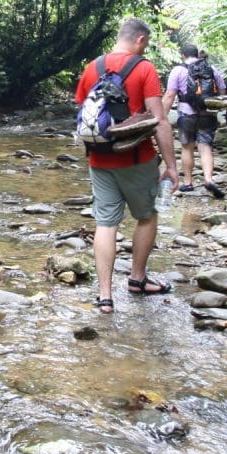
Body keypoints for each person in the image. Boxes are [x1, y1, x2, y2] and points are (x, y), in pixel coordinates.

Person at [74, 18, 181, 312]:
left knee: (106, 224)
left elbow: (85, 113)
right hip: (138, 159)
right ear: (141, 40)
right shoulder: (144, 68)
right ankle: (137, 279)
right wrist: (172, 166)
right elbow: (159, 121)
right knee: (146, 216)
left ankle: (105, 296)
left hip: (99, 159)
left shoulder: (91, 68)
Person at [163, 44, 227, 198]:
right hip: (207, 115)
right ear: (197, 55)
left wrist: (162, 116)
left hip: (186, 114)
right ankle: (208, 179)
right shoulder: (210, 68)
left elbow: (170, 95)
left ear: (183, 55)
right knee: (205, 147)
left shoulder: (178, 70)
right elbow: (222, 90)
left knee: (187, 148)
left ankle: (187, 182)